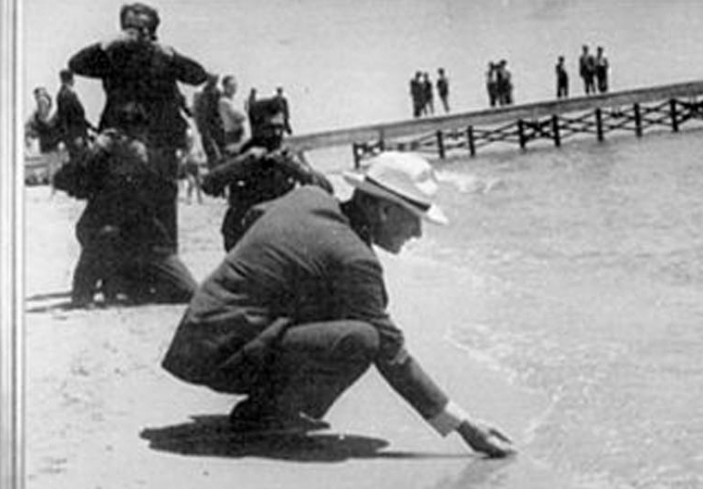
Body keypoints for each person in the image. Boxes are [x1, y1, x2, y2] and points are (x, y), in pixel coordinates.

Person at [161, 151, 515, 458]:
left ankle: (264, 408)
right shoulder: (354, 258)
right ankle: (266, 418)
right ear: (386, 210)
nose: (418, 234)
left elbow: (253, 215)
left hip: (198, 336)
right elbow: (391, 353)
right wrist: (464, 427)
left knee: (337, 308)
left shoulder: (310, 197)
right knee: (363, 338)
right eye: (414, 219)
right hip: (217, 358)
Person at [67, 1, 209, 254]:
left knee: (161, 212)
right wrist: (108, 42)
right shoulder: (113, 56)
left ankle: (164, 271)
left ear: (153, 31)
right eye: (129, 28)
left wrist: (173, 56)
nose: (135, 34)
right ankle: (119, 278)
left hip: (159, 147)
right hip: (119, 148)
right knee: (115, 210)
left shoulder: (163, 57)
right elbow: (76, 64)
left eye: (142, 28)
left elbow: (198, 75)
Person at [65, 101, 198, 307]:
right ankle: (96, 288)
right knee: (104, 236)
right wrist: (98, 151)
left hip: (146, 238)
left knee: (188, 290)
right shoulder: (105, 163)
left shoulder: (146, 159)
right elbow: (71, 180)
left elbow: (166, 190)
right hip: (108, 236)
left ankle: (128, 282)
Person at [202, 97, 333, 251]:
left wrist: (298, 170)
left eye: (280, 127)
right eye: (270, 128)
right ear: (256, 128)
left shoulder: (290, 156)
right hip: (245, 238)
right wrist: (240, 164)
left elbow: (327, 190)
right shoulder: (239, 154)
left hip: (284, 234)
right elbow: (208, 185)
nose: (277, 133)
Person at [54, 69, 95, 165]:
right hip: (76, 136)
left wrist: (90, 126)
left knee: (83, 160)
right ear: (70, 80)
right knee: (80, 162)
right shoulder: (65, 95)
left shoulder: (68, 94)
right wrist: (75, 137)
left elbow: (78, 116)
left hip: (79, 134)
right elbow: (65, 118)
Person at [24, 87, 63, 186]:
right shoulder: (46, 102)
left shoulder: (42, 101)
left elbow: (43, 119)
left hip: (47, 136)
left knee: (51, 160)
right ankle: (51, 179)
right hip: (50, 136)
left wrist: (34, 128)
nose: (36, 98)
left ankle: (51, 180)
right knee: (52, 160)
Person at [193, 74, 225, 168]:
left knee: (222, 146)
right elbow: (197, 111)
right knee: (209, 148)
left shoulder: (218, 91)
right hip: (205, 123)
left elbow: (221, 107)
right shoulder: (200, 93)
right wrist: (201, 127)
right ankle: (212, 166)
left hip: (216, 122)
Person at [218, 75, 247, 151]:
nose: (234, 88)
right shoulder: (224, 102)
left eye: (235, 86)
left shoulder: (232, 101)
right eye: (231, 86)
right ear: (225, 87)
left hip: (238, 132)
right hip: (233, 134)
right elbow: (239, 117)